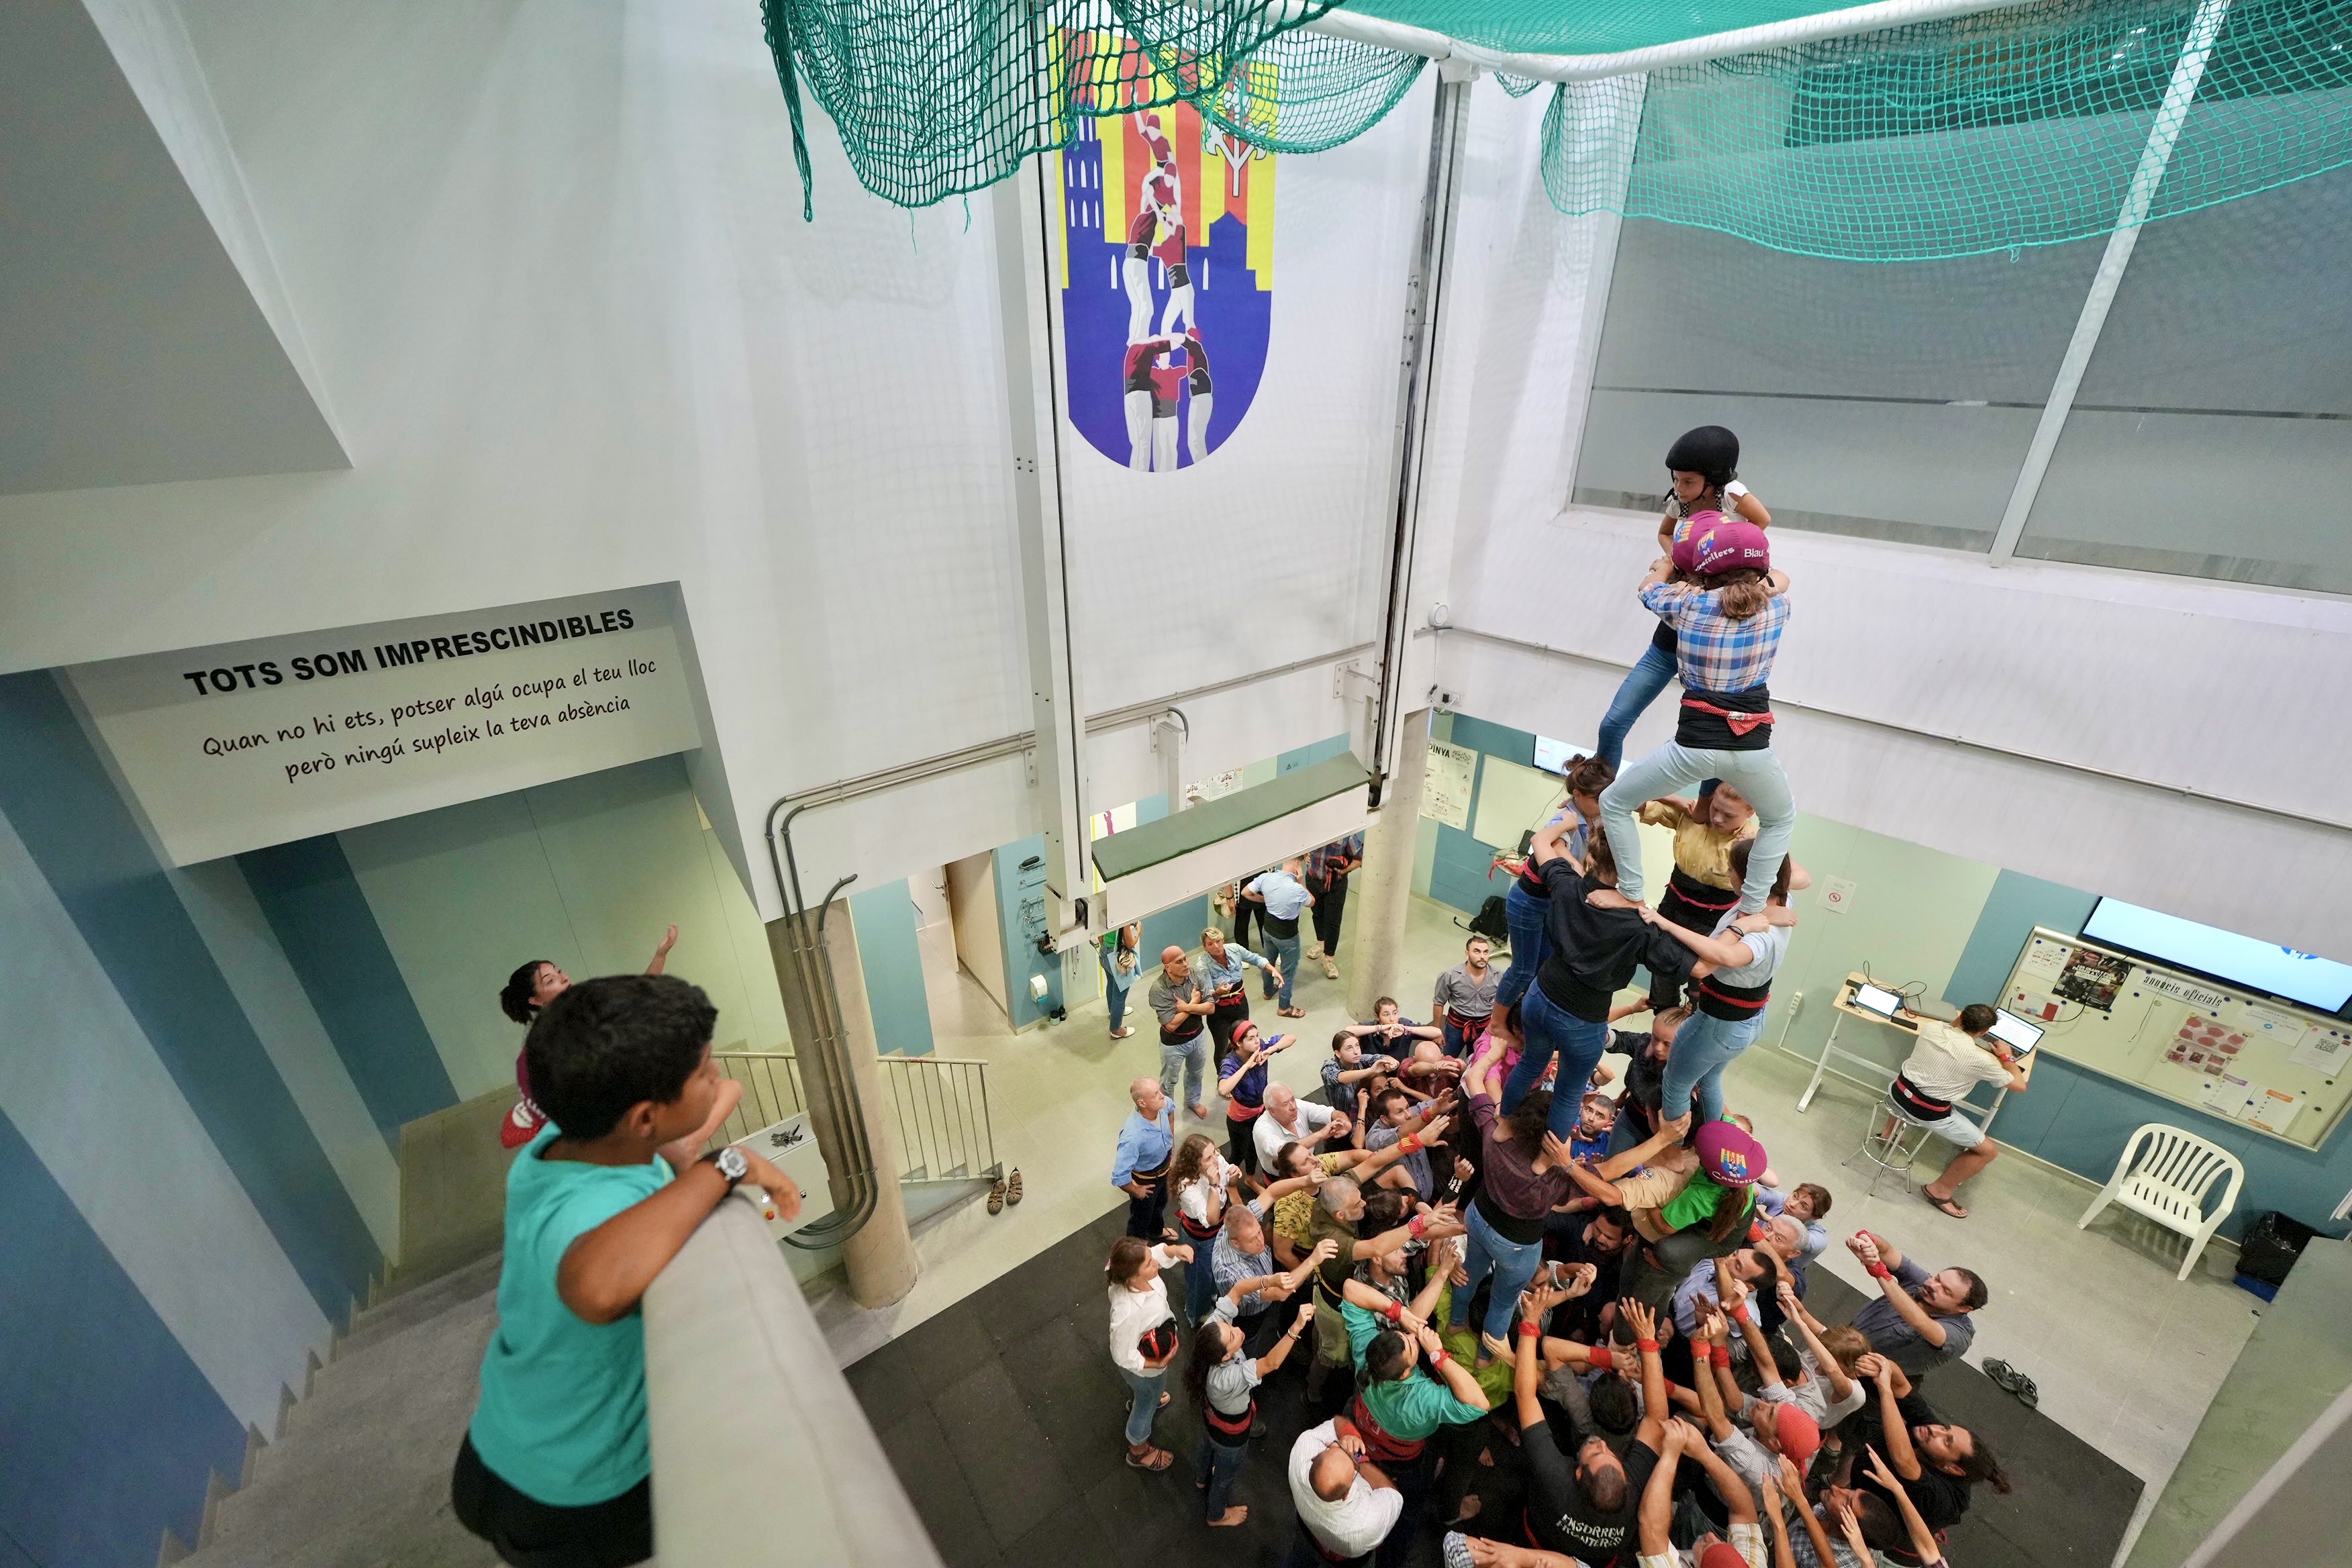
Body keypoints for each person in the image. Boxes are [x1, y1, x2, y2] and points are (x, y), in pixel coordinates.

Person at [454, 974, 800, 1568]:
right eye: (703, 1074)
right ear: (643, 1118)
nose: (715, 1079)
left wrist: (706, 1127)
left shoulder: (568, 1140)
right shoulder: (583, 1215)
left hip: (499, 1448)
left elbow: (674, 1146)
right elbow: (594, 1285)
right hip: (577, 1497)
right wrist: (728, 1164)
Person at [1598, 520, 1794, 920]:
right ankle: (1752, 909)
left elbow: (1647, 589)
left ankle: (1632, 892)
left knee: (1614, 803)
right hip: (1752, 746)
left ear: (1706, 571)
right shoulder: (1778, 606)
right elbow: (1781, 580)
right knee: (1779, 820)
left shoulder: (1687, 605)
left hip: (1693, 747)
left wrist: (1666, 567)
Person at [1504, 812, 1706, 1142]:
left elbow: (1540, 840)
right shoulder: (1639, 926)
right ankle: (1546, 1159)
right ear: (1631, 869)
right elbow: (1699, 968)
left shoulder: (1567, 884)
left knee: (1529, 1064)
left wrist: (1570, 822)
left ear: (1591, 856)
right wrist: (1656, 918)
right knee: (1569, 1092)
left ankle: (1503, 1125)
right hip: (1582, 1020)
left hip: (1539, 997)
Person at [1594, 424, 1772, 773]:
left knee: (1722, 745)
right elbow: (1664, 533)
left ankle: (1705, 808)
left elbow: (1761, 523)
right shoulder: (1681, 501)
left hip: (1721, 634)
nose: (1679, 488)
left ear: (1713, 480)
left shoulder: (1732, 494)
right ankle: (1599, 793)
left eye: (1688, 481)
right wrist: (1680, 561)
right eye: (1676, 479)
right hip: (1674, 636)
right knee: (1612, 723)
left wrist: (1720, 561)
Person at [1452, 1032, 1583, 1359]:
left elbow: (1473, 1078)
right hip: (1517, 1245)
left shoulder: (1493, 1135)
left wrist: (1494, 1053)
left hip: (1478, 1219)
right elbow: (1602, 1184)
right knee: (1503, 1301)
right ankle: (1485, 1358)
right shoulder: (1554, 1175)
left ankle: (1455, 1323)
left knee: (1470, 1271)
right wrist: (1564, 1162)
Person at [1514, 1296, 1669, 1568]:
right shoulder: (1635, 1494)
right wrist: (1647, 1341)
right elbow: (1657, 1419)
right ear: (1627, 1482)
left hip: (1533, 1543)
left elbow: (1525, 1396)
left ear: (1577, 1472)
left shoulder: (1554, 1477)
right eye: (1611, 1455)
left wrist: (1529, 1322)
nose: (1602, 1445)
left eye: (1596, 1452)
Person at [496, 925, 681, 1148]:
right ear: (535, 1000)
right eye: (550, 980)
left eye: (559, 971)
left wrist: (660, 954)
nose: (563, 978)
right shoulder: (540, 1049)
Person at [1491, 754, 1615, 1050]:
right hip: (1528, 902)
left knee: (1544, 966)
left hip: (1550, 905)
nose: (1602, 805)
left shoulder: (1593, 814)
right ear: (1578, 795)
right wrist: (1583, 873)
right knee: (1522, 968)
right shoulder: (1566, 818)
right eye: (1597, 799)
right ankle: (1497, 1022)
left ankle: (1525, 1021)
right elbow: (1557, 848)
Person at [1885, 1002, 2030, 1219]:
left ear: (1961, 1017)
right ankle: (1939, 1190)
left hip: (1898, 1092)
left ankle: (1887, 1133)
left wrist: (1961, 1022)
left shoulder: (1932, 1029)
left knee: (1917, 1081)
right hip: (1928, 1113)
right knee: (1989, 1151)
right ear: (1984, 1033)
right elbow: (2019, 1085)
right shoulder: (1981, 1060)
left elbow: (1950, 1027)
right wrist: (2006, 1056)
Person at [1187, 1291, 1320, 1528]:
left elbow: (1237, 1290)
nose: (1237, 1329)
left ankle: (1200, 1479)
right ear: (1227, 1356)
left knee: (1207, 1448)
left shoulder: (1211, 1335)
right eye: (1233, 1335)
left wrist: (1267, 1283)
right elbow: (1271, 1363)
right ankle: (1216, 1515)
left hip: (1212, 1419)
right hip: (1230, 1437)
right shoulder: (1226, 1378)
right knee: (1225, 1476)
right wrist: (1297, 1326)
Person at [1847, 1353, 2010, 1534]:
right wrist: (1883, 1366)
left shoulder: (1943, 1497)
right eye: (1947, 1428)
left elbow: (1904, 1461)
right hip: (1863, 1486)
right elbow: (1902, 1387)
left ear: (1953, 1468)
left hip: (1881, 1536)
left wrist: (1885, 1390)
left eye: (1947, 1441)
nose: (1937, 1430)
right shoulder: (1933, 1432)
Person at [1634, 784, 1756, 967]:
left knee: (1699, 978)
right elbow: (1630, 802)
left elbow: (1801, 879)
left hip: (1715, 919)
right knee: (1661, 968)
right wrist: (1674, 799)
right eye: (1715, 808)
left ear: (1750, 813)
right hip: (1674, 905)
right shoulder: (1693, 815)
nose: (1717, 818)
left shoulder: (1754, 840)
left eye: (1729, 815)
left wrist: (1757, 846)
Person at [1846, 1232, 1987, 1379]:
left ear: (1964, 1308)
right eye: (1938, 1278)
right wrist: (1869, 1242)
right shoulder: (1924, 1283)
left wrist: (1878, 1270)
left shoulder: (1959, 1335)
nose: (1933, 1285)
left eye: (1946, 1291)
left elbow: (1920, 1322)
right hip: (1847, 1344)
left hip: (1874, 1380)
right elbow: (1887, 1252)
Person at [1108, 1235, 1191, 1471]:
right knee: (1147, 1402)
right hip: (1145, 1371)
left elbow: (1154, 1253)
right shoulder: (1127, 1311)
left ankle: (1144, 1398)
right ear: (1134, 1276)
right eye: (1148, 1263)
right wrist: (1157, 1364)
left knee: (1147, 1395)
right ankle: (1138, 1450)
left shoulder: (1129, 1275)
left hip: (1145, 1371)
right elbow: (1122, 1354)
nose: (1154, 1261)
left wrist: (1174, 1250)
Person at [1287, 1418, 1404, 1567]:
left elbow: (1336, 1422)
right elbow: (1391, 1493)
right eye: (1355, 1472)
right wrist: (1359, 1459)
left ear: (1316, 1456)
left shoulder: (1303, 1448)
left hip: (1306, 1533)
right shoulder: (1365, 1525)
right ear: (1346, 1495)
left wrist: (1348, 1434)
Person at [1171, 1134, 1240, 1324]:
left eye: (1215, 1152)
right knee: (1199, 1278)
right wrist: (1214, 1184)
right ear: (1195, 1164)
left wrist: (1234, 1176)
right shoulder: (1186, 1186)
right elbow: (1211, 1217)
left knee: (1217, 1268)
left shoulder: (1217, 1160)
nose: (1216, 1159)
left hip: (1221, 1229)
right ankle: (1196, 1313)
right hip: (1200, 1238)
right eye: (1208, 1158)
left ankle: (1212, 1296)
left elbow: (1231, 1184)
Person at [1219, 1020, 1300, 1179]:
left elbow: (1291, 1038)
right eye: (1251, 1038)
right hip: (1240, 1118)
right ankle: (1228, 1182)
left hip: (1261, 1111)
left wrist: (1271, 1050)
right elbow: (1223, 1089)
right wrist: (1247, 1066)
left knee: (1255, 1148)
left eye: (1257, 1036)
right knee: (1238, 1154)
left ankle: (1250, 1179)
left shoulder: (1261, 1046)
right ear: (1238, 1043)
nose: (1257, 1041)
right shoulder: (1230, 1062)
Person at [1148, 947, 1218, 1120]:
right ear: (1167, 967)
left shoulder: (1194, 975)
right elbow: (1171, 1025)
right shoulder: (1159, 989)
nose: (1186, 964)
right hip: (1174, 1045)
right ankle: (1167, 1110)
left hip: (1198, 1037)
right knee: (1169, 1081)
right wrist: (1195, 1003)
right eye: (1179, 961)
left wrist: (1186, 1006)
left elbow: (1210, 1008)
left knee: (1196, 1073)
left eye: (1185, 958)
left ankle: (1193, 1101)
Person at [1242, 858, 1317, 1017]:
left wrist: (1264, 899)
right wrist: (1301, 881)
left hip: (1268, 930)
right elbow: (1311, 902)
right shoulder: (1297, 889)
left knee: (1267, 962)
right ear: (1298, 864)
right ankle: (1284, 1007)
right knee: (1288, 973)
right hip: (1288, 936)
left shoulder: (1265, 878)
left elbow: (1245, 892)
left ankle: (1267, 992)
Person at [1198, 924, 1279, 1057]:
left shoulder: (1235, 949)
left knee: (1244, 1040)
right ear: (1205, 947)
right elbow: (1207, 995)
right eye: (1210, 944)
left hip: (1240, 1004)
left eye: (1218, 941)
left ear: (1223, 940)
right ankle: (1224, 1075)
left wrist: (1272, 969)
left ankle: (1246, 1069)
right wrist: (1218, 992)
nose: (1216, 946)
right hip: (1219, 1011)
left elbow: (1255, 959)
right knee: (1222, 1048)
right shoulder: (1203, 965)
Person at [1114, 1076, 1178, 1239]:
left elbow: (1171, 1108)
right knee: (1140, 1218)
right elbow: (1120, 1177)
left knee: (1160, 1203)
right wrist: (1137, 1191)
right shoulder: (1133, 1137)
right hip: (1146, 1180)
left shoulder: (1161, 1105)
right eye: (1156, 1094)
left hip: (1164, 1169)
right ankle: (1136, 1251)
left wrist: (1170, 1136)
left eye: (1160, 1091)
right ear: (1142, 1103)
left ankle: (1156, 1231)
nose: (1162, 1096)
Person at [1304, 832, 1365, 981]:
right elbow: (1302, 847)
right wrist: (1305, 855)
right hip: (1313, 879)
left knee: (1333, 921)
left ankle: (1329, 958)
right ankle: (1321, 943)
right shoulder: (1313, 832)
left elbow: (1360, 859)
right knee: (1317, 914)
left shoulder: (1347, 836)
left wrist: (1344, 871)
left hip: (1336, 884)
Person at [1256, 1081, 1351, 1175]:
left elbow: (1331, 1113)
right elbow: (1284, 1152)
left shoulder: (1297, 1104)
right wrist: (1320, 1135)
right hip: (1283, 1177)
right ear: (1272, 1110)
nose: (1293, 1107)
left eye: (1292, 1099)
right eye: (1285, 1104)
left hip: (1310, 1161)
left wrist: (1345, 1122)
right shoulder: (1262, 1128)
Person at [1432, 936, 1502, 1057]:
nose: (1482, 956)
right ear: (1467, 953)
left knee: (1476, 1061)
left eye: (1486, 952)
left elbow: (1504, 1003)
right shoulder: (1450, 976)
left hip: (1484, 1027)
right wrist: (1437, 1032)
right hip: (1456, 1027)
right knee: (1448, 1059)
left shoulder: (1499, 976)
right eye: (1477, 951)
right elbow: (1439, 1003)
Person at [1101, 922, 1142, 1040]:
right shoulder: (1123, 917)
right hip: (1118, 957)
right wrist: (1138, 931)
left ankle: (1113, 1012)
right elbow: (1130, 944)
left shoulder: (1106, 912)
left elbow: (1100, 936)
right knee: (1120, 995)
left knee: (1111, 984)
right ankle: (1116, 1030)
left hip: (1105, 951)